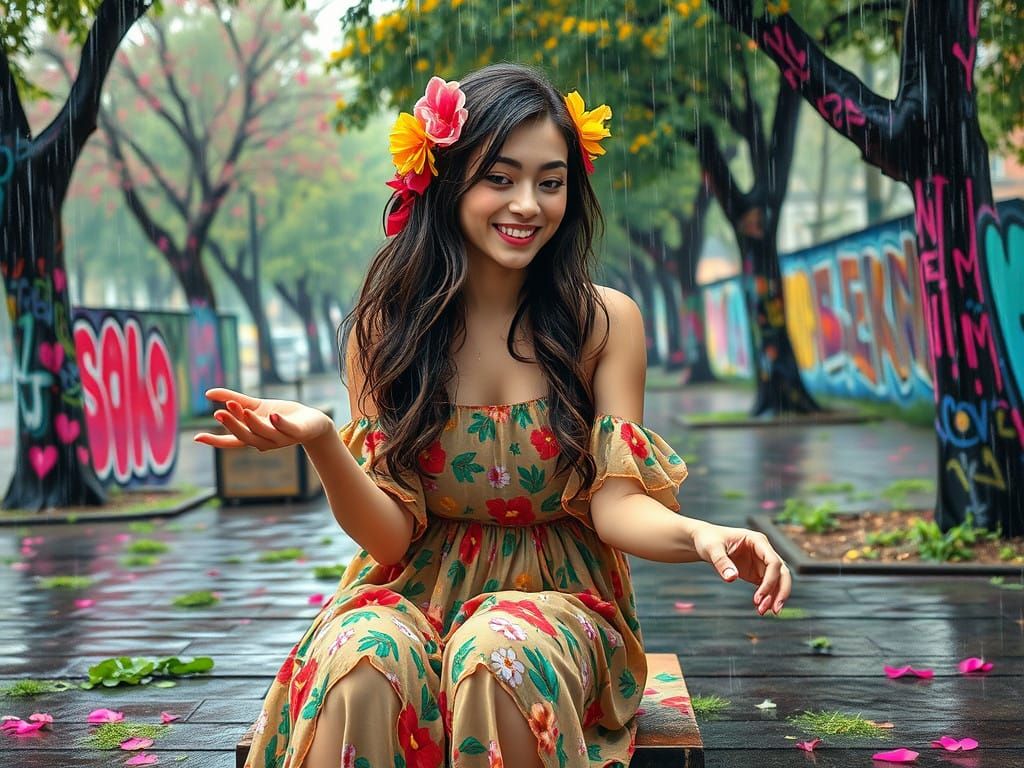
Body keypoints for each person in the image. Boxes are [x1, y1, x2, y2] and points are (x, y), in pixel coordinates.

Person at [196, 63, 791, 768]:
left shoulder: (603, 323)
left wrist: (702, 534)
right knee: (363, 660)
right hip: (410, 595)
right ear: (446, 180)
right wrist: (323, 442)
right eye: (499, 178)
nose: (528, 204)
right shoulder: (386, 332)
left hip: (559, 602)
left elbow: (616, 508)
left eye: (550, 181)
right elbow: (390, 536)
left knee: (496, 654)